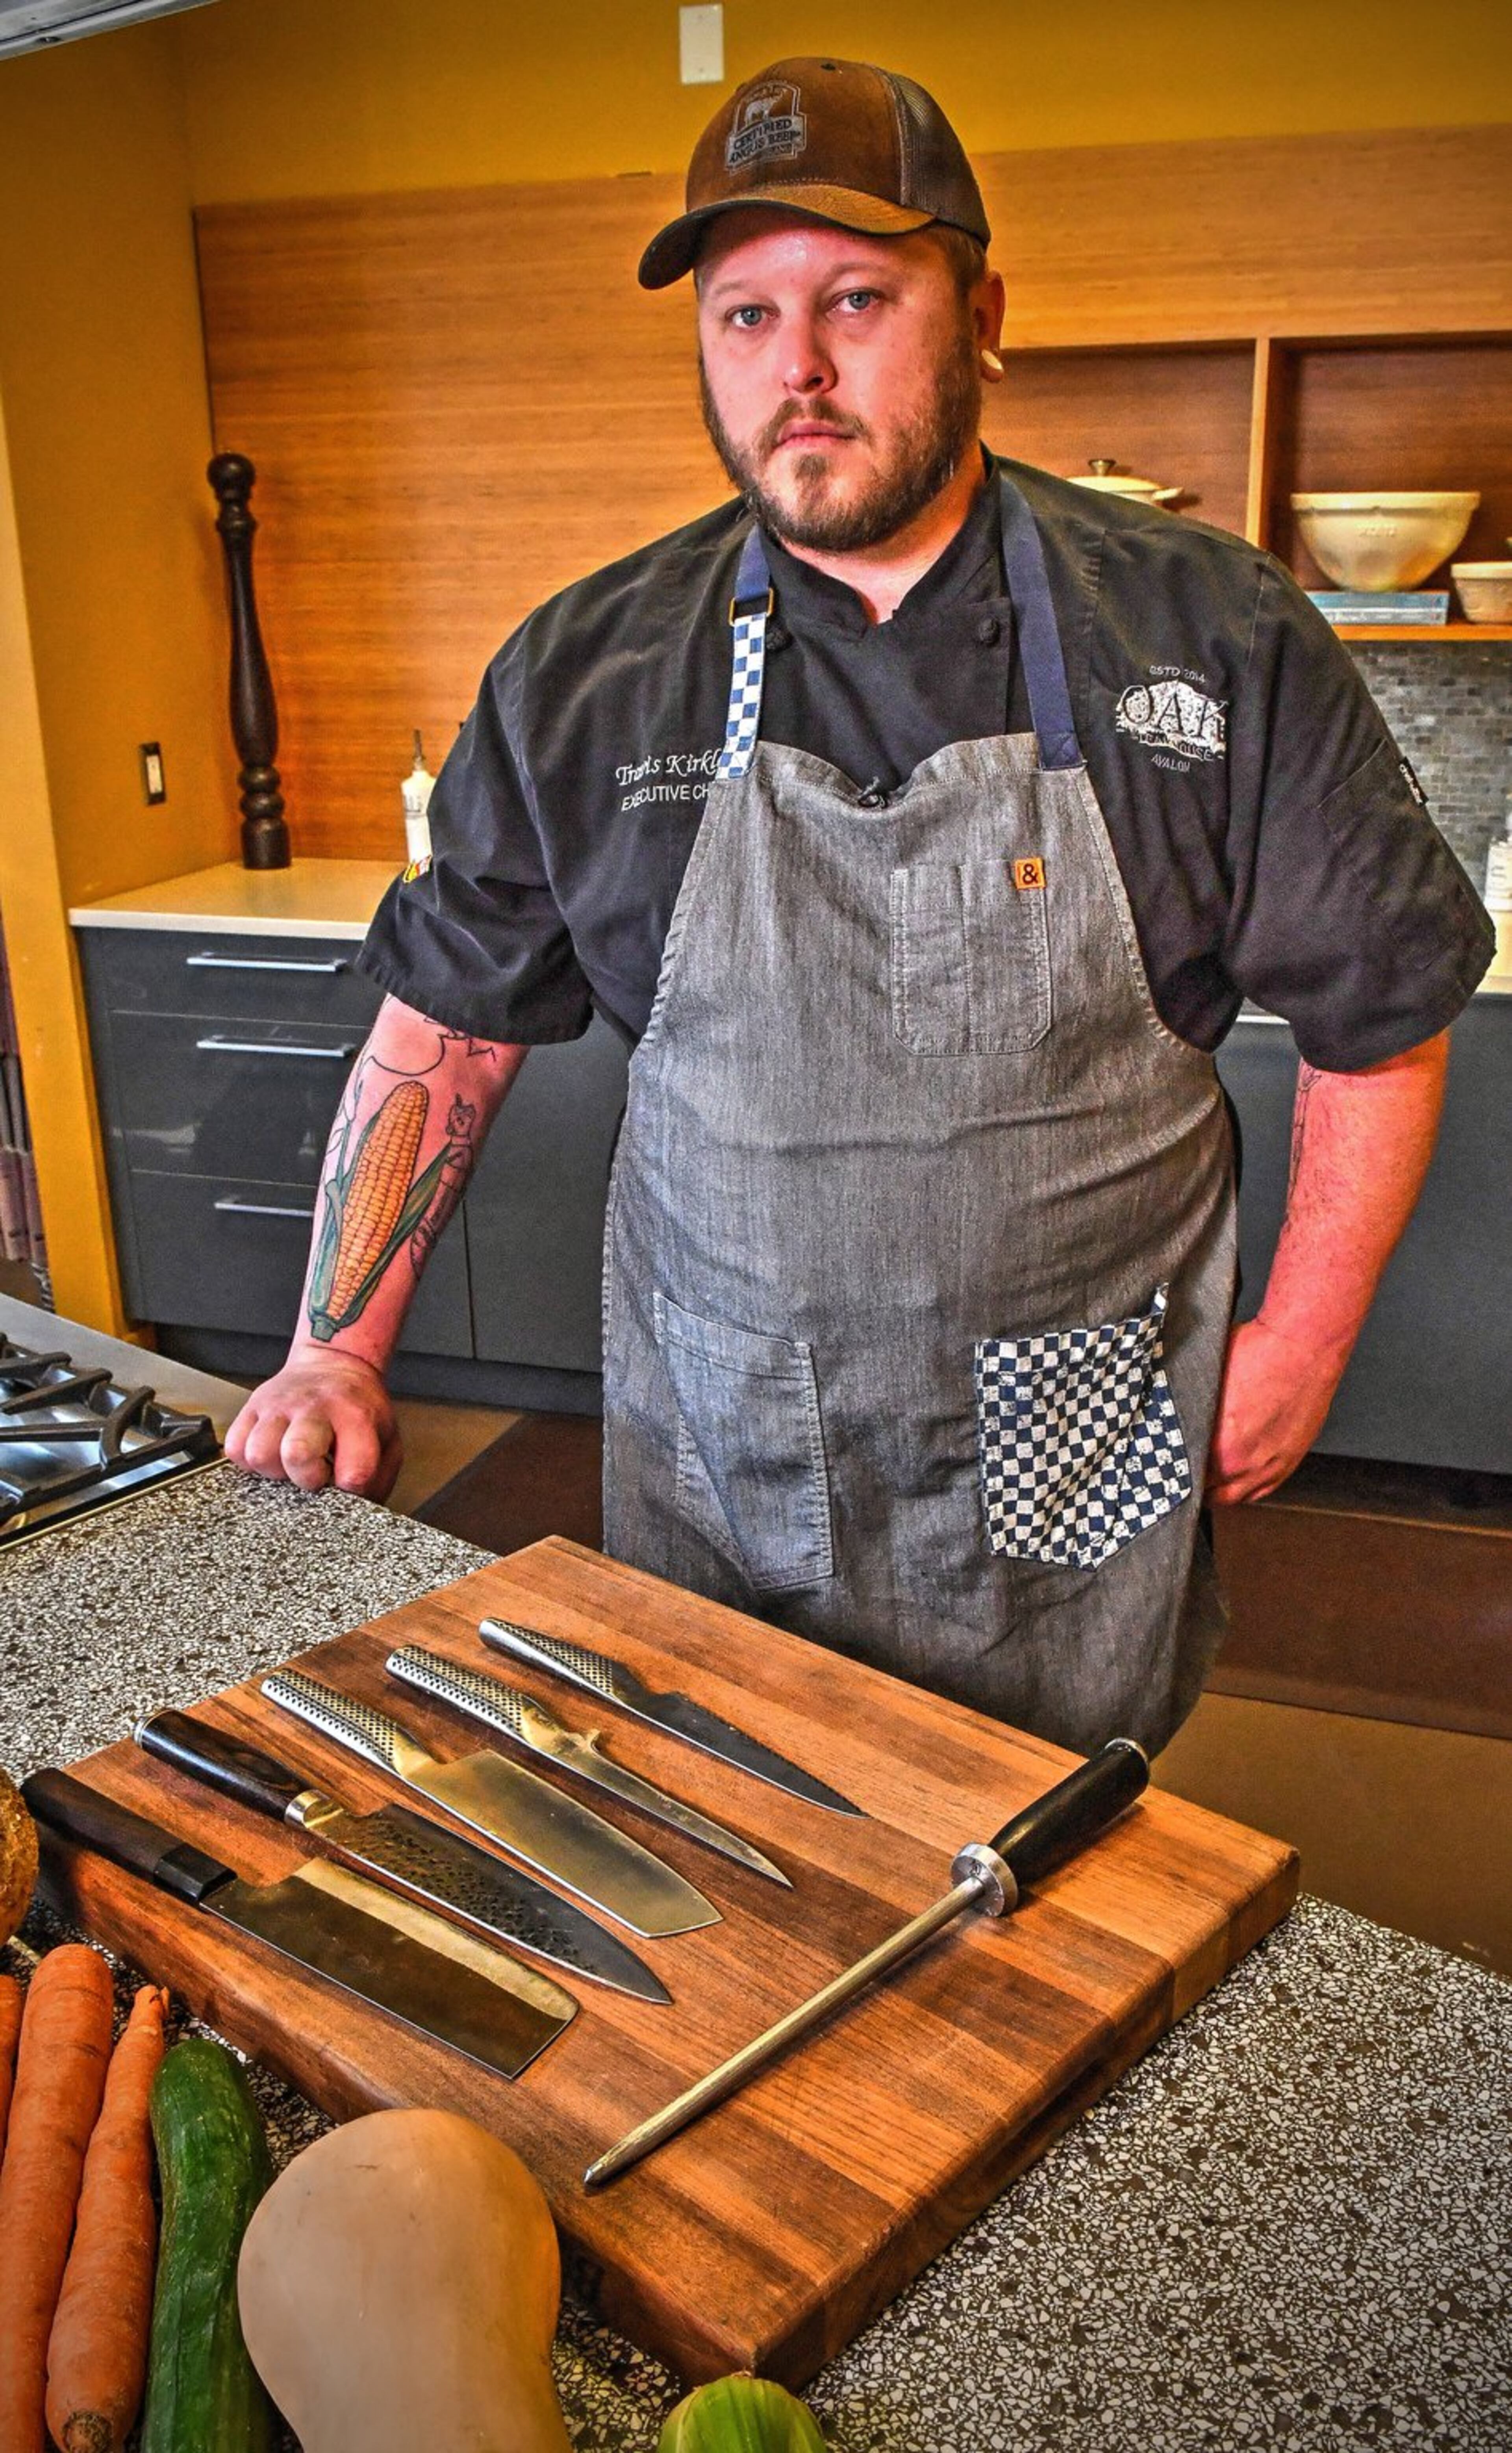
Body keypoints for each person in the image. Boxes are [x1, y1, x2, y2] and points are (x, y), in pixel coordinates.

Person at [226, 58, 1492, 1756]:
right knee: (727, 1816)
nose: (797, 370)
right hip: (727, 1437)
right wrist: (333, 1352)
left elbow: (1382, 1019)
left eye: (854, 302)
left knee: (1056, 1848)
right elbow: (445, 1031)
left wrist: (1300, 1346)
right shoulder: (588, 673)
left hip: (1072, 1437)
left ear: (983, 318)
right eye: (745, 317)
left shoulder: (1209, 631)